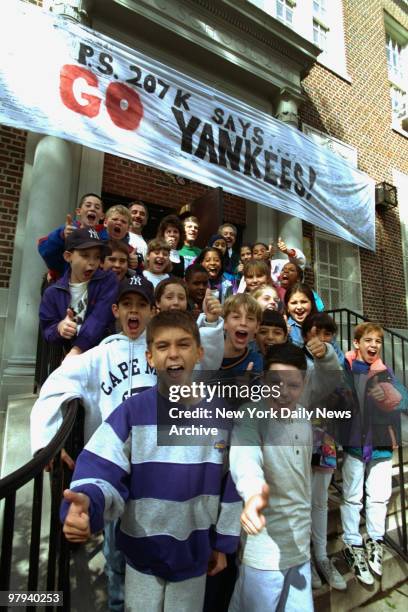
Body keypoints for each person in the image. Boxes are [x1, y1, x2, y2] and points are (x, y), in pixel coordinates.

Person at [61, 311, 242, 612]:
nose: (173, 354)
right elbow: (102, 470)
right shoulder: (131, 412)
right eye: (162, 346)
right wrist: (86, 505)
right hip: (141, 556)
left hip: (194, 555)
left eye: (183, 344)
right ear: (149, 357)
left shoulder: (222, 416)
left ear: (199, 353)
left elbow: (232, 483)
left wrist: (223, 544)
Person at [228, 344, 314, 612]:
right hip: (264, 553)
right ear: (264, 380)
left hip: (300, 549)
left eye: (293, 385)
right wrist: (253, 496)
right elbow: (246, 460)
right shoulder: (250, 416)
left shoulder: (304, 417)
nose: (284, 393)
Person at [340, 323, 403, 585]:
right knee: (353, 495)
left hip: (380, 443)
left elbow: (404, 398)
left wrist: (388, 394)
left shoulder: (384, 372)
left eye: (378, 341)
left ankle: (375, 540)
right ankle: (352, 543)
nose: (374, 345)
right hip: (355, 441)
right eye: (368, 340)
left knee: (379, 496)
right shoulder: (345, 368)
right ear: (357, 343)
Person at [301, 314, 347, 591]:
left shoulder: (334, 360)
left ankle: (321, 557)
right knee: (304, 501)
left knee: (319, 502)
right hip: (299, 441)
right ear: (305, 334)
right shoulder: (295, 361)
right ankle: (306, 558)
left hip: (325, 438)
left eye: (328, 334)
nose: (322, 338)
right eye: (317, 332)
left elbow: (335, 384)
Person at [39, 228, 117, 358]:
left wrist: (77, 350)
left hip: (101, 359)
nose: (92, 262)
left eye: (97, 256)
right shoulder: (52, 292)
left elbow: (99, 318)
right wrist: (59, 328)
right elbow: (47, 331)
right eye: (85, 255)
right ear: (68, 256)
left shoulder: (107, 281)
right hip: (64, 359)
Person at [38, 193, 105, 279]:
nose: (92, 208)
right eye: (88, 205)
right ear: (78, 211)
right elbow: (45, 251)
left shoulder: (104, 236)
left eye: (97, 207)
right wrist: (61, 237)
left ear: (102, 215)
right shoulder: (67, 229)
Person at [221, 293, 263, 374]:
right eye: (236, 317)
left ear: (257, 327)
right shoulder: (209, 355)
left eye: (250, 318)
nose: (243, 323)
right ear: (224, 322)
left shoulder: (256, 361)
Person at [284, 283, 318, 347]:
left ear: (311, 304)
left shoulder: (322, 325)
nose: (299, 307)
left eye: (303, 302)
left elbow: (338, 355)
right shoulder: (285, 328)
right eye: (294, 303)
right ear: (287, 307)